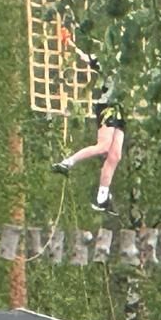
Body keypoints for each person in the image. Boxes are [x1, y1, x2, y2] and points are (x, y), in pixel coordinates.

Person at [51, 44, 123, 212]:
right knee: (103, 146)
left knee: (115, 156)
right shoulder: (111, 62)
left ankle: (102, 197)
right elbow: (87, 58)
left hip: (120, 109)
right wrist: (69, 44)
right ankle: (67, 162)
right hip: (108, 106)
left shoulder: (135, 65)